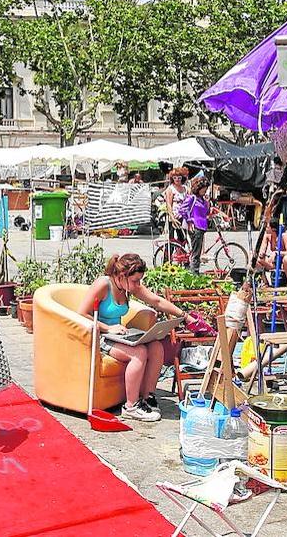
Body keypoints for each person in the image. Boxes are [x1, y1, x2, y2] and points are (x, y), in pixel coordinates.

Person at [80, 253, 190, 422]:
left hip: (118, 335)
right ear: (122, 276)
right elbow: (82, 313)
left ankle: (147, 397)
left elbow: (157, 301)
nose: (138, 285)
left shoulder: (128, 286)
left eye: (139, 280)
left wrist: (185, 316)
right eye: (135, 281)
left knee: (156, 347)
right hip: (100, 335)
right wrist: (108, 327)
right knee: (138, 353)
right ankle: (130, 406)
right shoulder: (103, 285)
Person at [179, 176, 211, 272]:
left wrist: (207, 203)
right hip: (195, 227)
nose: (205, 191)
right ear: (198, 188)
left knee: (197, 251)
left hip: (201, 227)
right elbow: (182, 210)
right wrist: (189, 220)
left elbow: (206, 212)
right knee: (196, 253)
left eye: (206, 189)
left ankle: (194, 271)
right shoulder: (192, 198)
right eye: (203, 189)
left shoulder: (202, 200)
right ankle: (194, 273)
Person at [162, 167, 189, 247]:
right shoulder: (170, 189)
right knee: (171, 239)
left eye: (179, 177)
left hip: (183, 216)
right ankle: (168, 257)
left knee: (182, 238)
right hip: (174, 216)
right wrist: (172, 217)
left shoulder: (186, 188)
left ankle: (181, 255)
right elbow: (169, 204)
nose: (177, 179)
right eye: (175, 177)